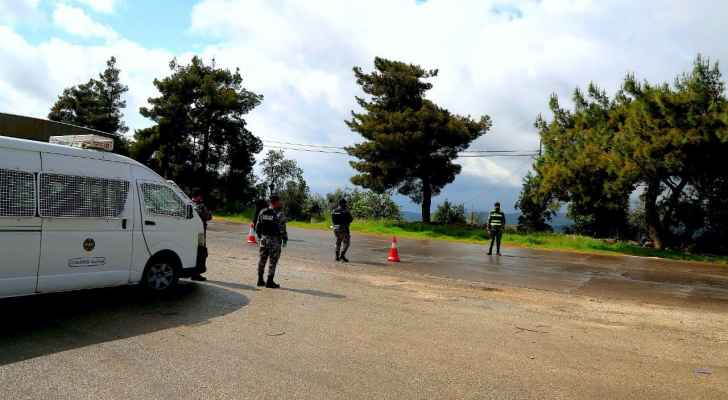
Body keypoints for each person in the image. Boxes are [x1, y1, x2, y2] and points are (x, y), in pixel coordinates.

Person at [256, 195, 288, 288]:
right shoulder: (280, 214)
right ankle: (270, 282)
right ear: (276, 202)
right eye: (280, 201)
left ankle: (260, 280)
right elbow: (282, 229)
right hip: (274, 240)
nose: (281, 203)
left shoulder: (263, 212)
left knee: (262, 260)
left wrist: (260, 237)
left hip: (264, 239)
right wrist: (285, 239)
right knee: (273, 261)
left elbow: (258, 226)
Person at [191, 190, 212, 281]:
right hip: (200, 233)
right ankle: (196, 274)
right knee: (201, 252)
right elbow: (208, 216)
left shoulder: (188, 203)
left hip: (190, 232)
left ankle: (191, 271)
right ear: (198, 197)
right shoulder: (201, 206)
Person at [331, 198, 353, 262]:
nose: (346, 204)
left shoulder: (334, 211)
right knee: (347, 242)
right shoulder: (346, 211)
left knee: (338, 241)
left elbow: (333, 220)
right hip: (344, 229)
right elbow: (351, 219)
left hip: (336, 229)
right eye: (345, 203)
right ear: (343, 203)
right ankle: (342, 255)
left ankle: (336, 257)